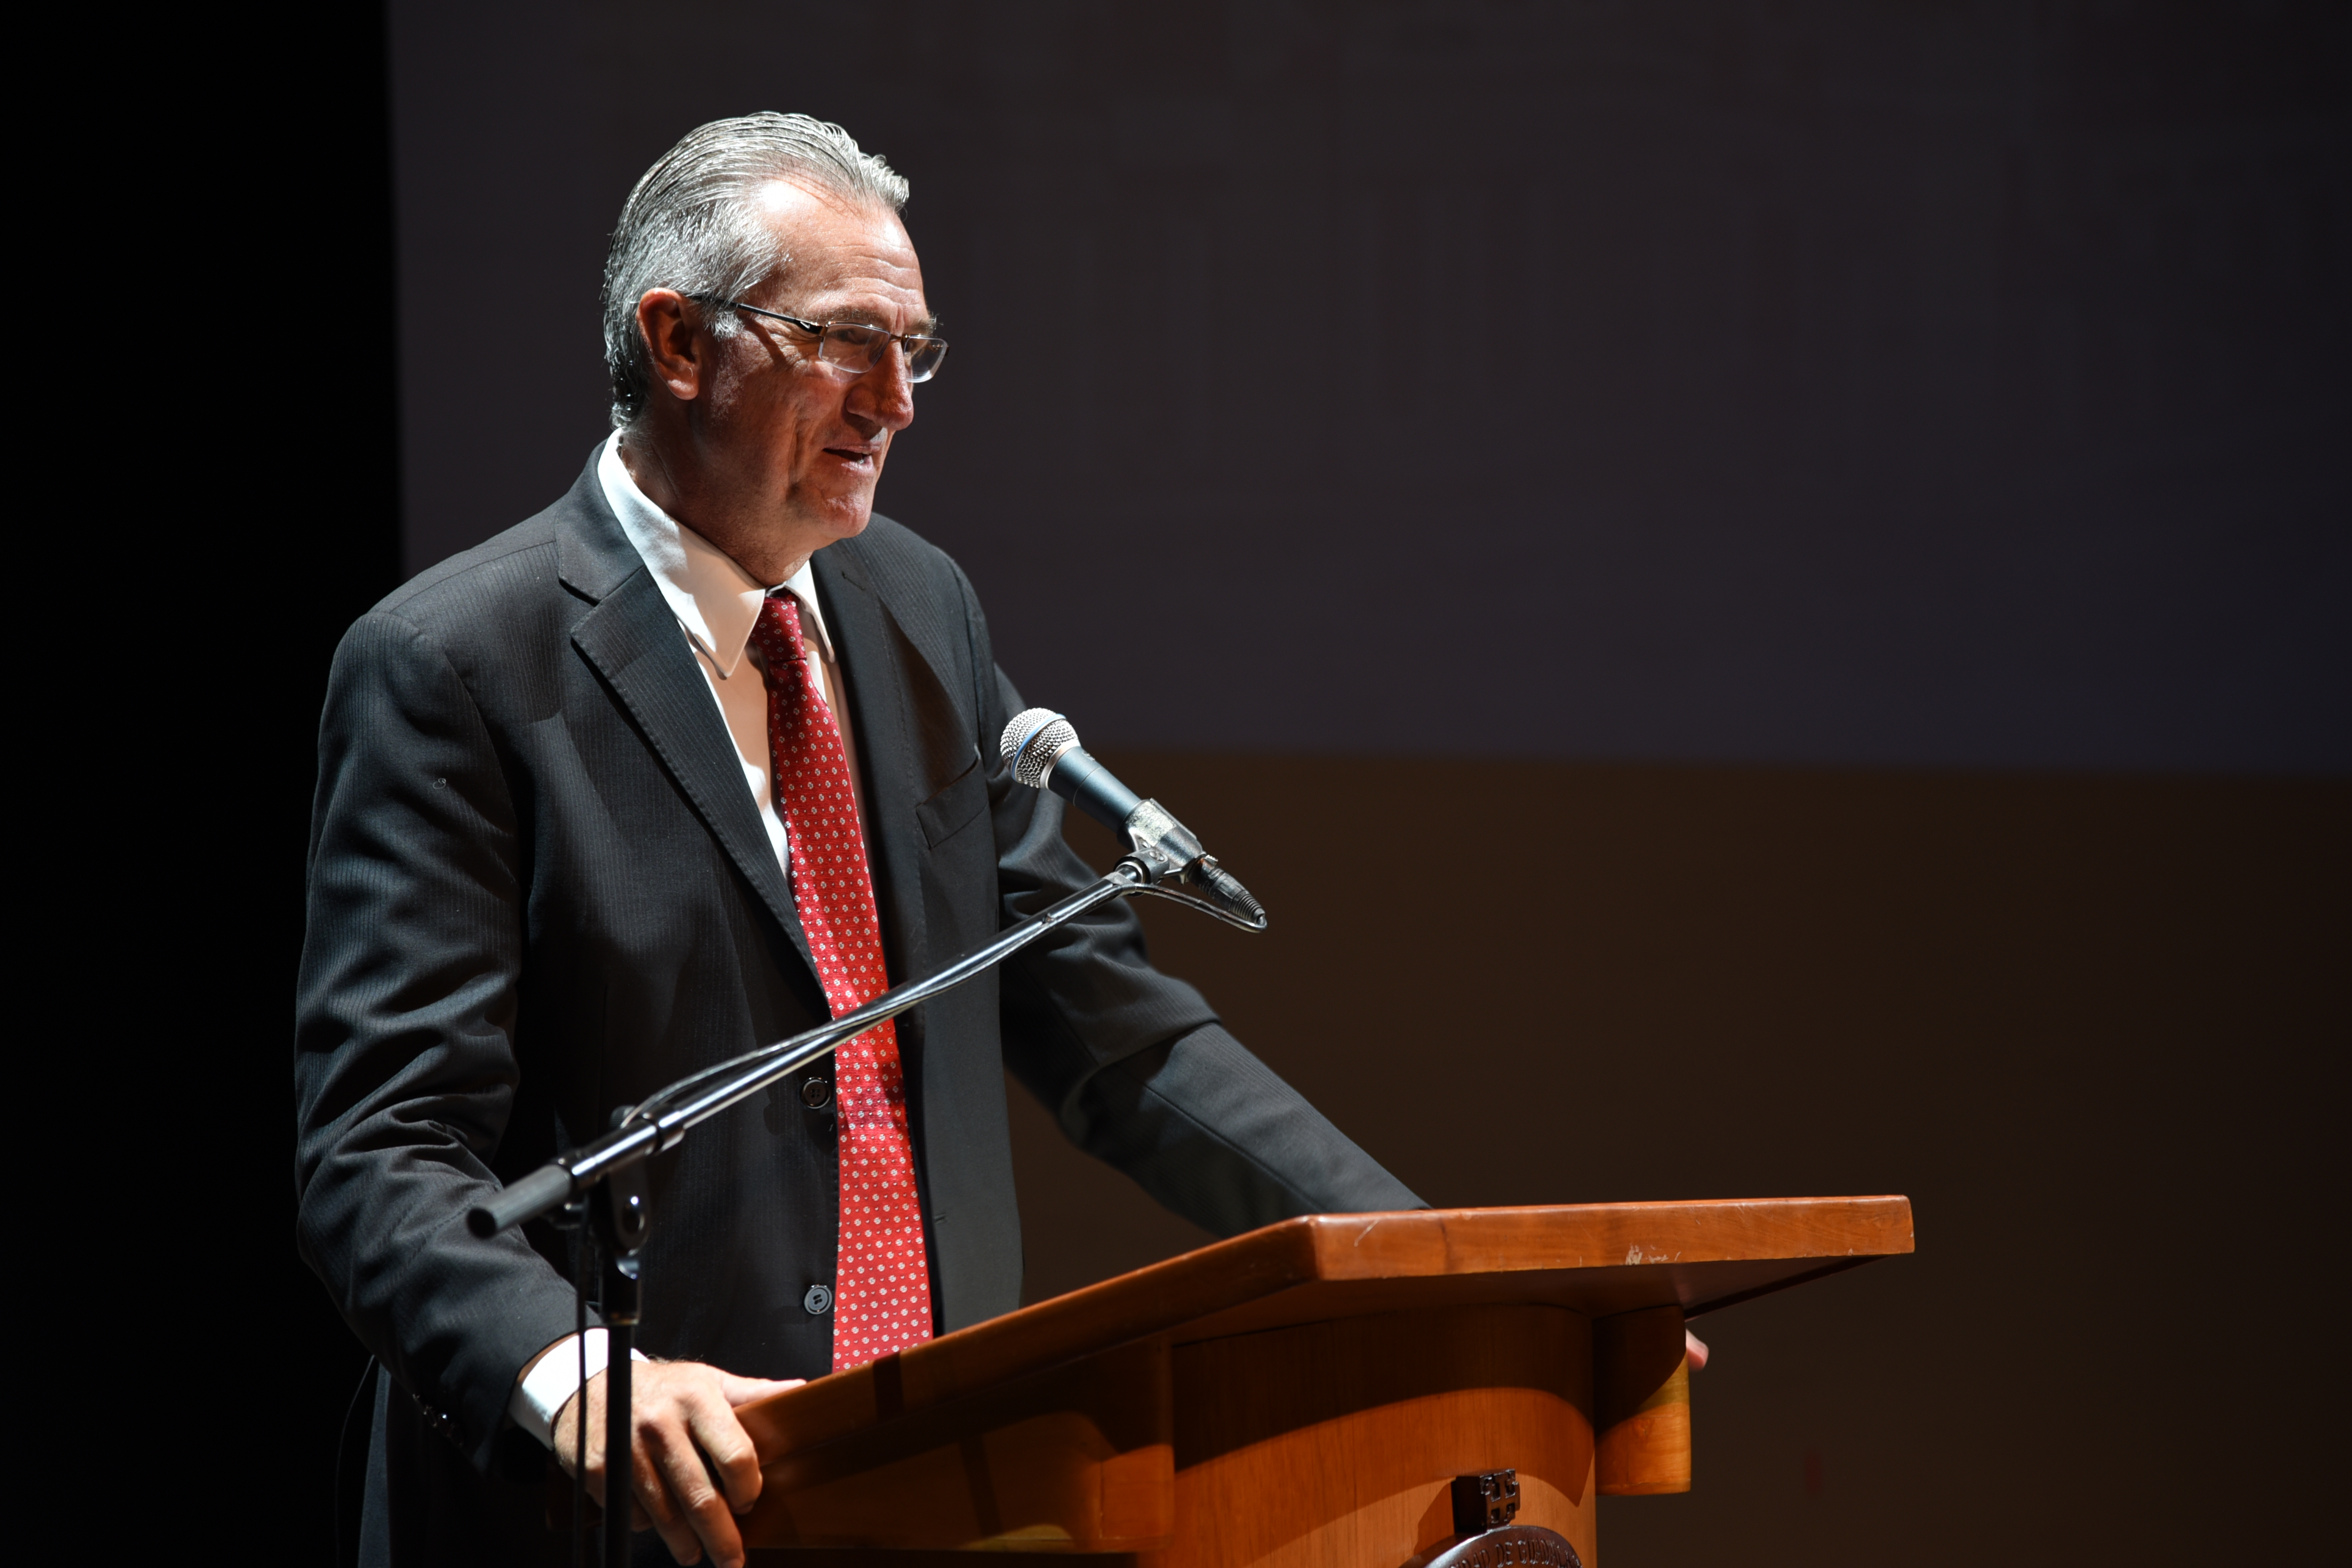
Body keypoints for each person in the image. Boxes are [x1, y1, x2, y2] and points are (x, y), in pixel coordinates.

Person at [294, 112, 1424, 1568]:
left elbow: (1107, 1026)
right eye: (848, 342)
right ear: (681, 344)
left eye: (920, 350)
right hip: (620, 1510)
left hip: (932, 1483)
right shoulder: (456, 664)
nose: (897, 401)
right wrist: (573, 1377)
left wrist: (1418, 1267)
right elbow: (380, 1148)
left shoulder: (915, 610)